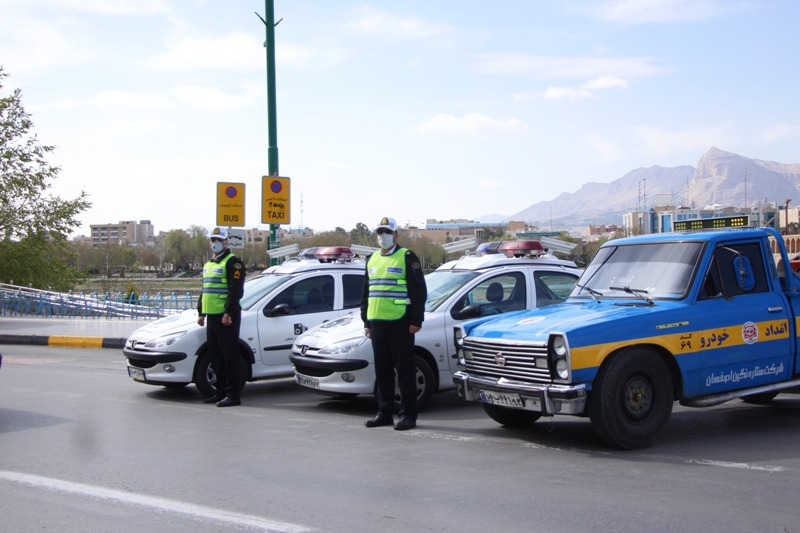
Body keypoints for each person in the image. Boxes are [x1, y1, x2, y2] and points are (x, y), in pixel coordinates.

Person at [361, 217, 427, 430]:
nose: (383, 236)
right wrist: (366, 320)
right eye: (380, 233)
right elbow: (366, 293)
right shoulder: (371, 259)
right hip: (377, 323)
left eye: (387, 232)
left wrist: (416, 320)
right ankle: (384, 412)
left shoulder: (407, 256)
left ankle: (408, 415)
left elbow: (419, 292)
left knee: (405, 370)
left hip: (401, 322)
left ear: (396, 235)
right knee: (382, 371)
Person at [197, 227, 246, 407]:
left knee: (230, 357)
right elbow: (205, 290)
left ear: (226, 242)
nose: (214, 243)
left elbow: (235, 291)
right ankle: (220, 392)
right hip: (212, 316)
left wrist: (228, 313)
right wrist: (201, 312)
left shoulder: (234, 263)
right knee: (216, 356)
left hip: (226, 318)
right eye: (212, 240)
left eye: (218, 239)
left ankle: (233, 395)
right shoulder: (209, 264)